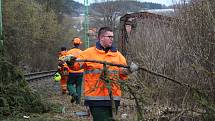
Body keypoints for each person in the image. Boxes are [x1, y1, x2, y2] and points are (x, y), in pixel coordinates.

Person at [66, 27, 139, 121]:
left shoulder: (117, 55)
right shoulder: (88, 53)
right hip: (95, 99)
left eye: (112, 37)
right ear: (101, 38)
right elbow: (76, 66)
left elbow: (122, 74)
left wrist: (129, 70)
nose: (112, 39)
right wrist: (70, 62)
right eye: (109, 36)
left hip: (113, 98)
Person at [66, 37, 84, 104]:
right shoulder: (82, 52)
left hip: (72, 72)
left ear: (73, 43)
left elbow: (66, 62)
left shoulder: (69, 52)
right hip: (80, 72)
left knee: (69, 84)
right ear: (79, 44)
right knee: (78, 86)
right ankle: (78, 101)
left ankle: (74, 94)